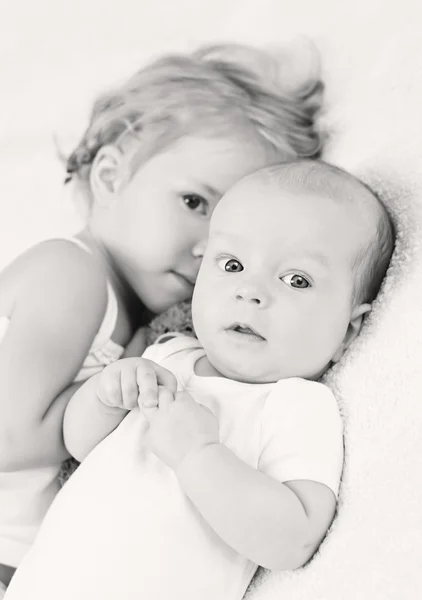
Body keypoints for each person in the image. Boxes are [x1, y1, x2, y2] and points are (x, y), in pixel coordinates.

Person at [0, 42, 324, 593]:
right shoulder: (72, 275)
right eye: (195, 203)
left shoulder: (128, 310)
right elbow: (7, 436)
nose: (208, 250)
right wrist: (123, 379)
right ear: (110, 175)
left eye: (230, 238)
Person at [4, 160, 395, 600]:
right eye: (231, 265)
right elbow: (80, 445)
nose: (250, 291)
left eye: (296, 279)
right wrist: (105, 395)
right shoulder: (169, 354)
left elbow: (293, 540)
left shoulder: (298, 406)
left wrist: (197, 454)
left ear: (346, 332)